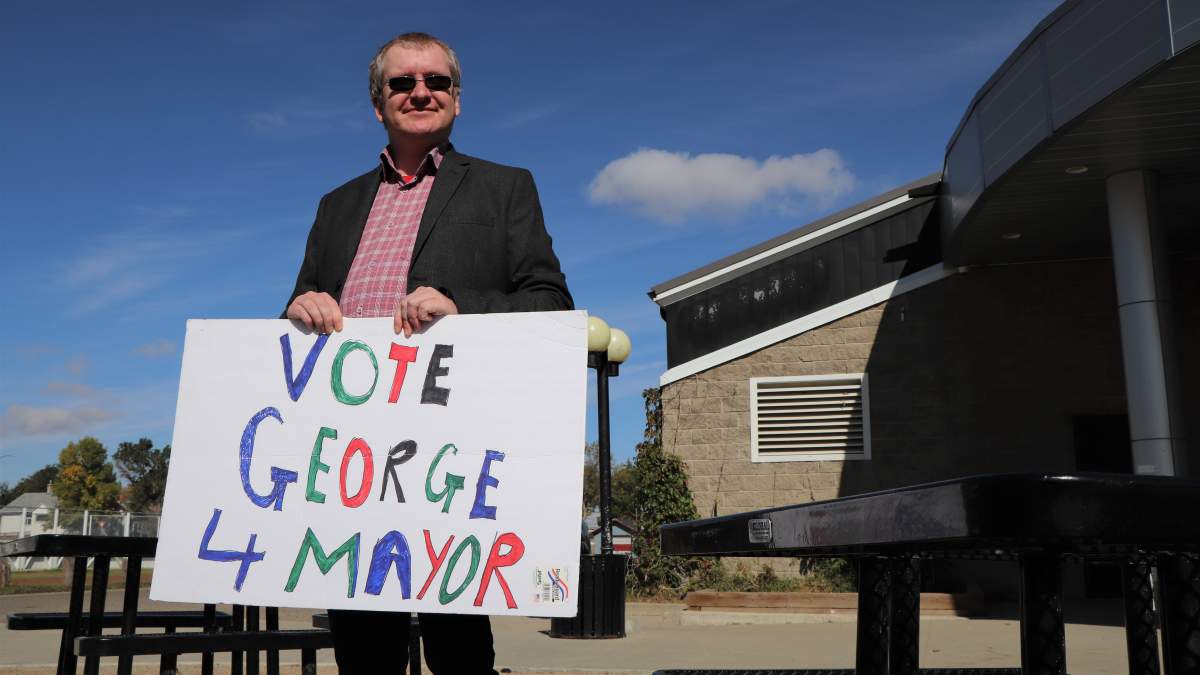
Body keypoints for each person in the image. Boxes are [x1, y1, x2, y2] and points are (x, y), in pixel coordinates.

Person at [282, 32, 573, 675]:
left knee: (460, 647)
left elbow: (550, 303)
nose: (421, 92)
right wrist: (300, 308)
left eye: (437, 82)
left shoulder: (504, 188)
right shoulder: (336, 205)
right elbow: (297, 311)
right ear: (377, 104)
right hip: (350, 459)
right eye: (403, 82)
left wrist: (460, 304)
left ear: (457, 100)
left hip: (453, 464)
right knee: (362, 646)